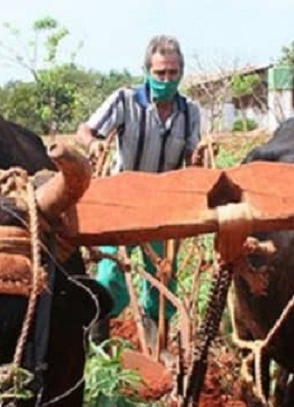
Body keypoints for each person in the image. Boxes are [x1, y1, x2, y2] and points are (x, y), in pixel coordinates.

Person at [76, 34, 203, 349]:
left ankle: (154, 342)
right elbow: (85, 131)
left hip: (163, 206)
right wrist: (93, 145)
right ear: (147, 72)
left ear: (180, 73)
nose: (167, 80)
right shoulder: (125, 100)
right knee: (108, 278)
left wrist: (199, 160)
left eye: (173, 73)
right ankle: (97, 339)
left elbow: (192, 156)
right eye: (160, 73)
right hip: (122, 201)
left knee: (163, 282)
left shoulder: (190, 112)